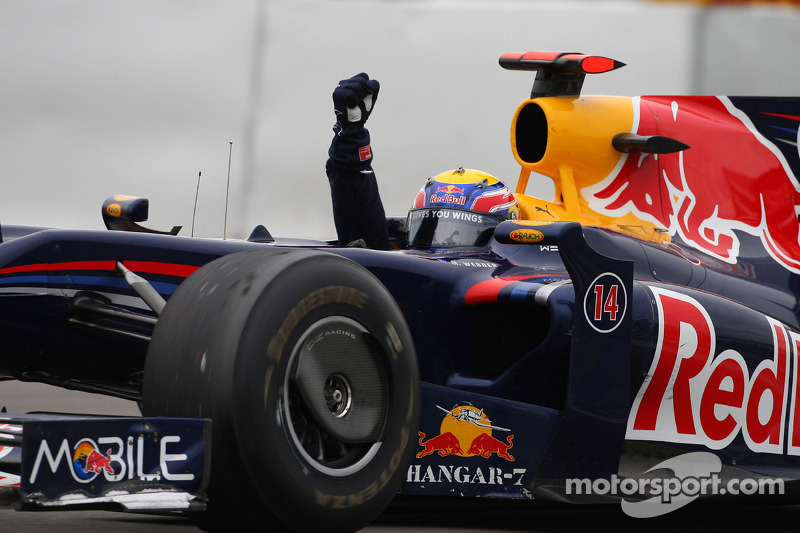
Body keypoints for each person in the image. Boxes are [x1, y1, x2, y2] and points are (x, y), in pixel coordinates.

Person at [326, 73, 518, 250]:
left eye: (462, 234)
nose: (438, 248)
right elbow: (371, 243)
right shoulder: (412, 266)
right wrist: (351, 142)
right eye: (428, 235)